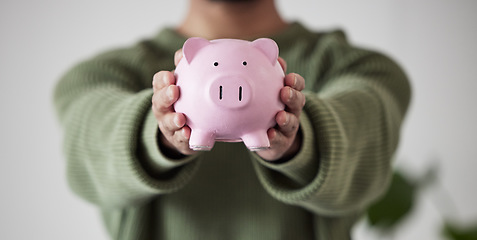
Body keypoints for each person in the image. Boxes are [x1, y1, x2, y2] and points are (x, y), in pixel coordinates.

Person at [53, 0, 411, 239]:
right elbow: (90, 142)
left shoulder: (366, 71)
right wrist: (161, 128)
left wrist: (296, 137)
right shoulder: (97, 77)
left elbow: (366, 129)